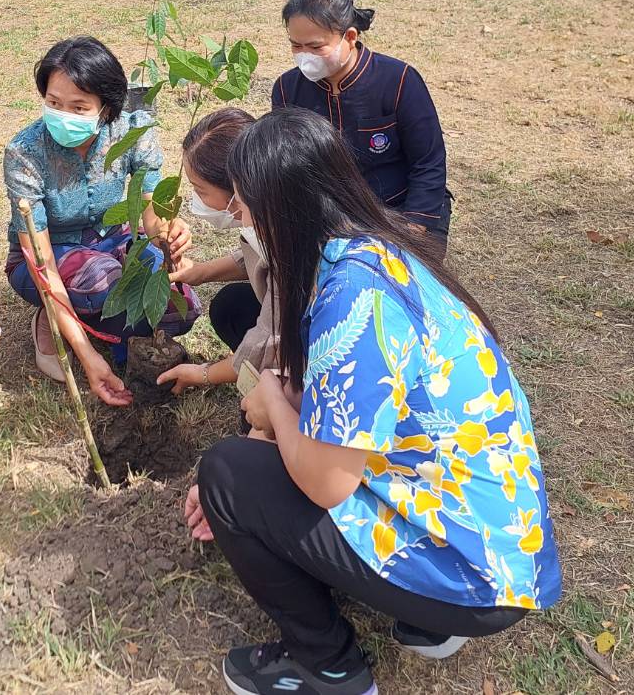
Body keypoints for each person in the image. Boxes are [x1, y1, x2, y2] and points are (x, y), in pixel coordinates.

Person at [186, 109, 561, 695]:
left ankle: (329, 668)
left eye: (243, 206)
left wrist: (269, 408)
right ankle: (425, 616)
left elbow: (328, 483)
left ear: (282, 207)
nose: (238, 218)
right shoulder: (375, 251)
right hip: (500, 547)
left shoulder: (353, 299)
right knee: (257, 455)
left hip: (470, 575)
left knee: (227, 473)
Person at [4, 36, 198, 406]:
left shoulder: (131, 131)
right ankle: (55, 318)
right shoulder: (25, 153)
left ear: (106, 108)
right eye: (53, 103)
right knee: (102, 283)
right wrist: (85, 354)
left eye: (79, 107)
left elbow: (151, 210)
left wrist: (166, 233)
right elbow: (40, 259)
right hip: (49, 253)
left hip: (114, 237)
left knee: (180, 302)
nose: (63, 115)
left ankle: (123, 338)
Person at [272, 0, 452, 243]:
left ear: (350, 37)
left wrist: (411, 234)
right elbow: (288, 168)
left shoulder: (399, 80)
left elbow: (429, 163)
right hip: (331, 222)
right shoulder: (287, 89)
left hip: (402, 213)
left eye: (315, 47)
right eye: (296, 45)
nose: (304, 56)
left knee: (389, 281)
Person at [158, 108, 275, 393]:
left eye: (200, 190)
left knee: (252, 429)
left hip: (314, 342)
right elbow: (257, 258)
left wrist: (204, 373)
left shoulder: (289, 244)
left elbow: (272, 336)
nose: (195, 200)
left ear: (238, 190)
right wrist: (201, 272)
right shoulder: (265, 212)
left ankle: (284, 385)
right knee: (230, 306)